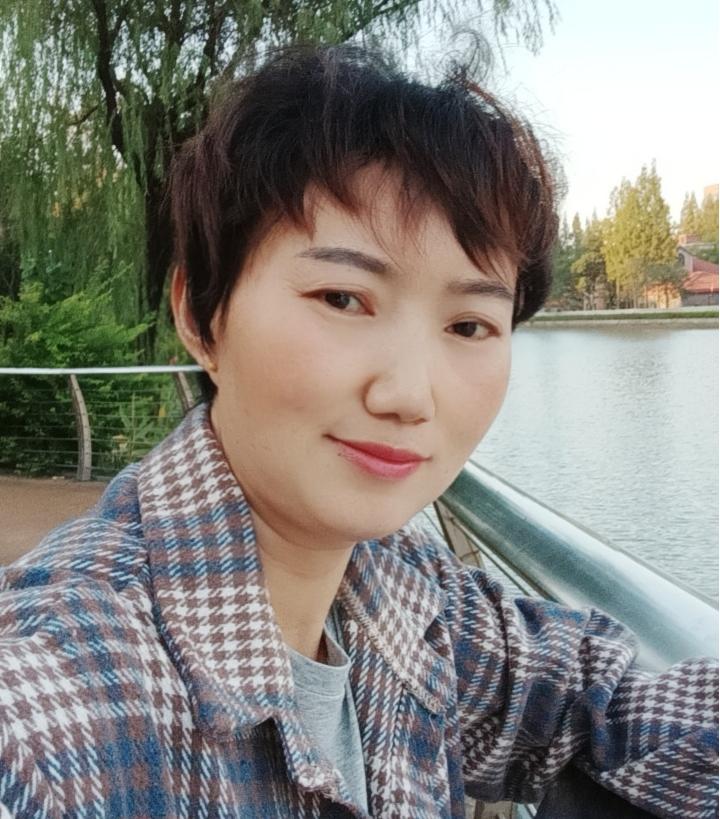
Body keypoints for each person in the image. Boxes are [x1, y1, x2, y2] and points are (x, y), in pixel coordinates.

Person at [0, 45, 716, 819]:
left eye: (469, 325)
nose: (408, 395)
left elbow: (598, 700)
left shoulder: (399, 589)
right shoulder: (57, 698)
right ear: (201, 315)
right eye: (343, 299)